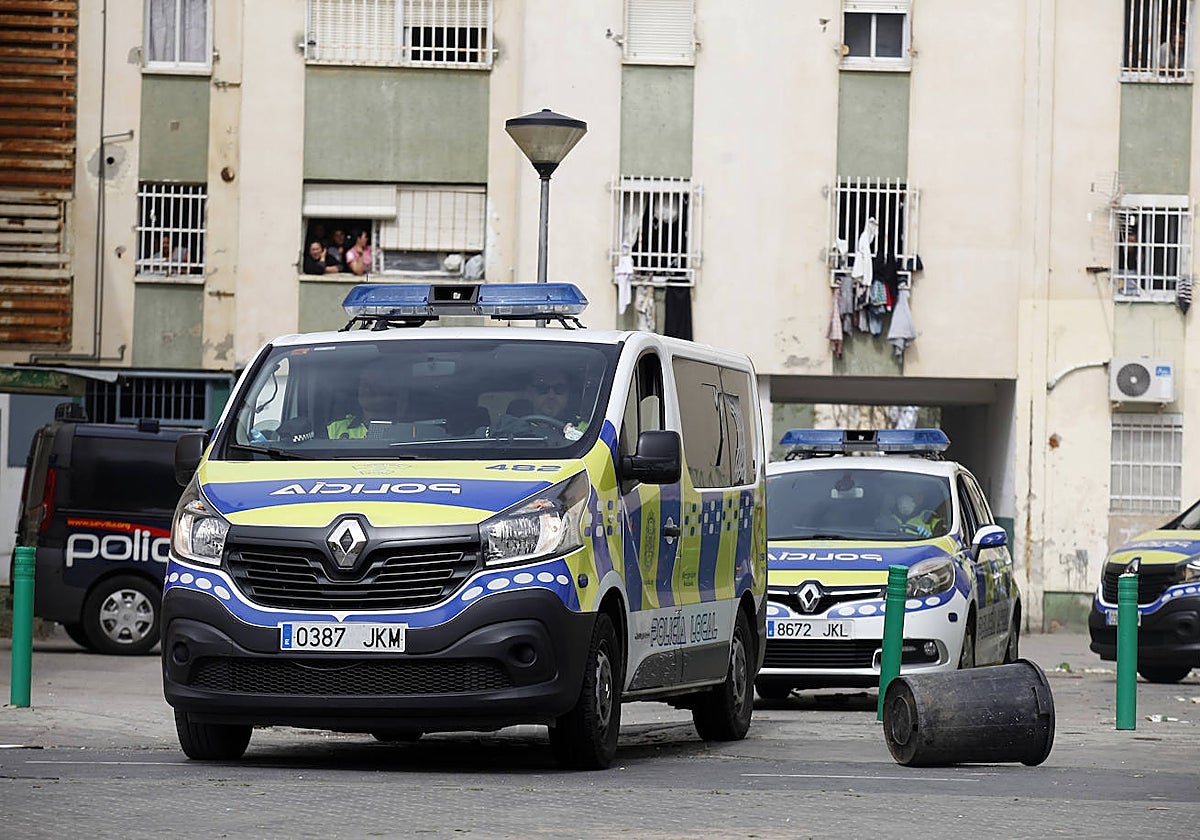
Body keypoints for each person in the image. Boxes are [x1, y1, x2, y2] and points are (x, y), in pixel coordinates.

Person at [326, 361, 407, 440]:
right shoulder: (335, 429)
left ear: (391, 392)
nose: (368, 389)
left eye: (376, 384)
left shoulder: (406, 431)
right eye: (364, 383)